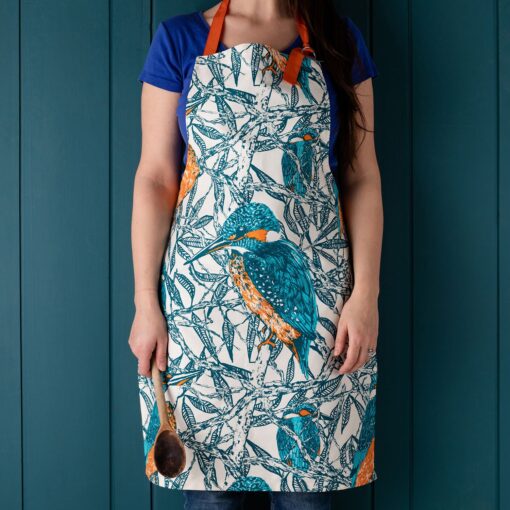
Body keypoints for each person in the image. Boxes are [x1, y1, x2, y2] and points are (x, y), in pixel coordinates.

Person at [129, 0, 383, 508]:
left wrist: (366, 296)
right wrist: (145, 302)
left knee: (308, 498)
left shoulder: (337, 37)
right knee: (213, 498)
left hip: (320, 310)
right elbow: (155, 178)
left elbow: (363, 177)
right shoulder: (178, 40)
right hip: (204, 315)